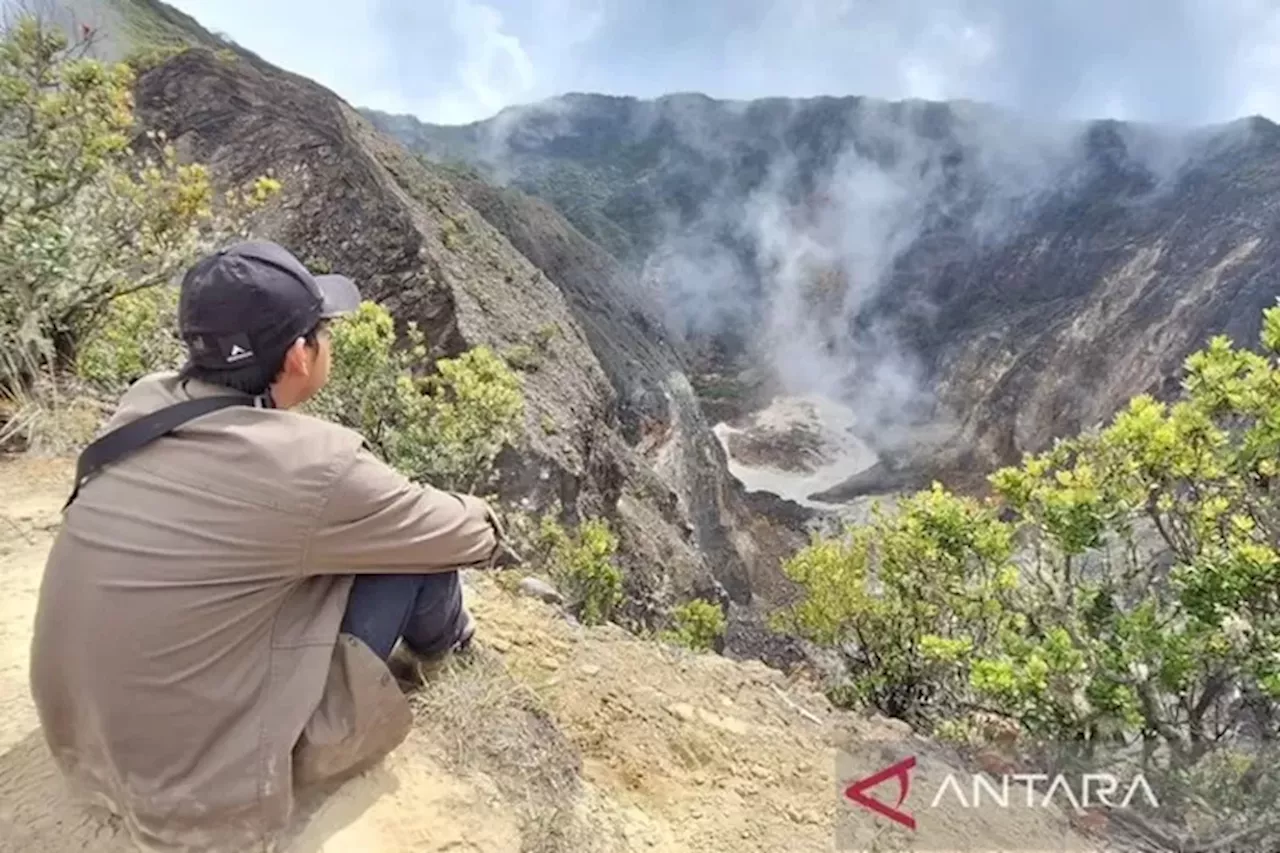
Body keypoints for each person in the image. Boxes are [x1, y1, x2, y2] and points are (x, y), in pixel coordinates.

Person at [28, 241, 509, 852]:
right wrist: (478, 515)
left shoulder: (143, 405)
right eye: (321, 330)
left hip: (82, 743)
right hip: (198, 796)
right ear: (299, 355)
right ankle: (456, 658)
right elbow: (464, 535)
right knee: (413, 550)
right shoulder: (312, 468)